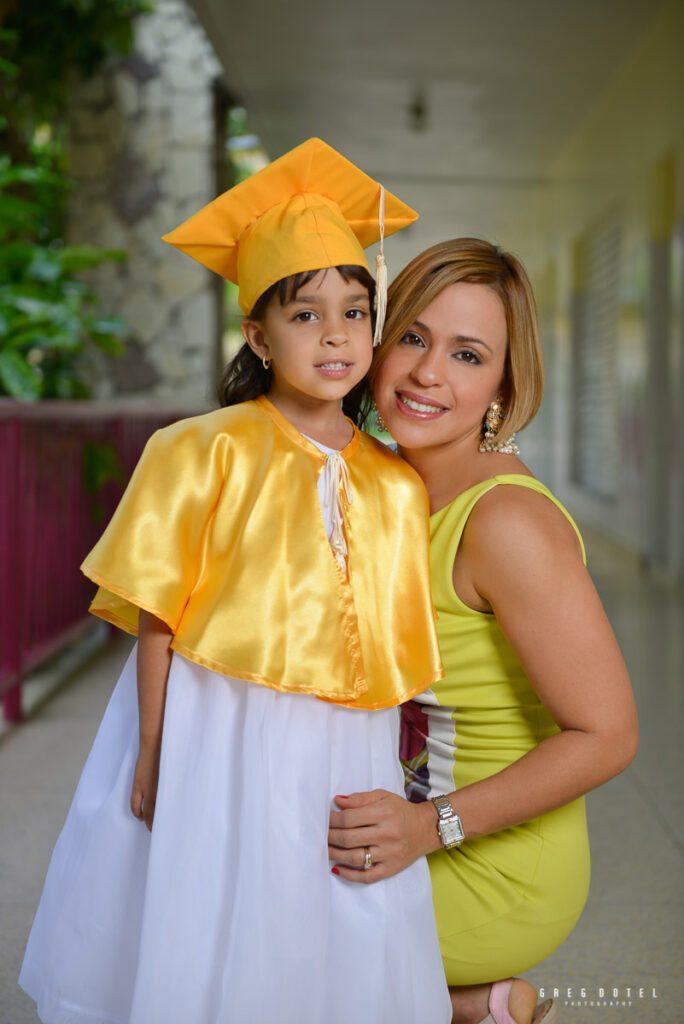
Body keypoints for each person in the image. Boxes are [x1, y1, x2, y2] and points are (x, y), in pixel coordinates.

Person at [19, 139, 452, 1024]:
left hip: (342, 733)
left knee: (323, 894)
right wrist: (155, 747)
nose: (335, 336)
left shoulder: (396, 482)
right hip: (218, 719)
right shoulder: (198, 449)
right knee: (220, 880)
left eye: (356, 312)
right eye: (304, 315)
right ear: (257, 334)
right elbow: (156, 616)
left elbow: (390, 640)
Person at [328, 238, 639, 1024]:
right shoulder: (392, 482)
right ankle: (479, 1008)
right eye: (413, 337)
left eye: (468, 355)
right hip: (411, 818)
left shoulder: (505, 522)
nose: (429, 373)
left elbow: (608, 735)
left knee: (254, 934)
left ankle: (464, 1001)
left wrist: (428, 826)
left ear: (503, 385)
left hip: (493, 863)